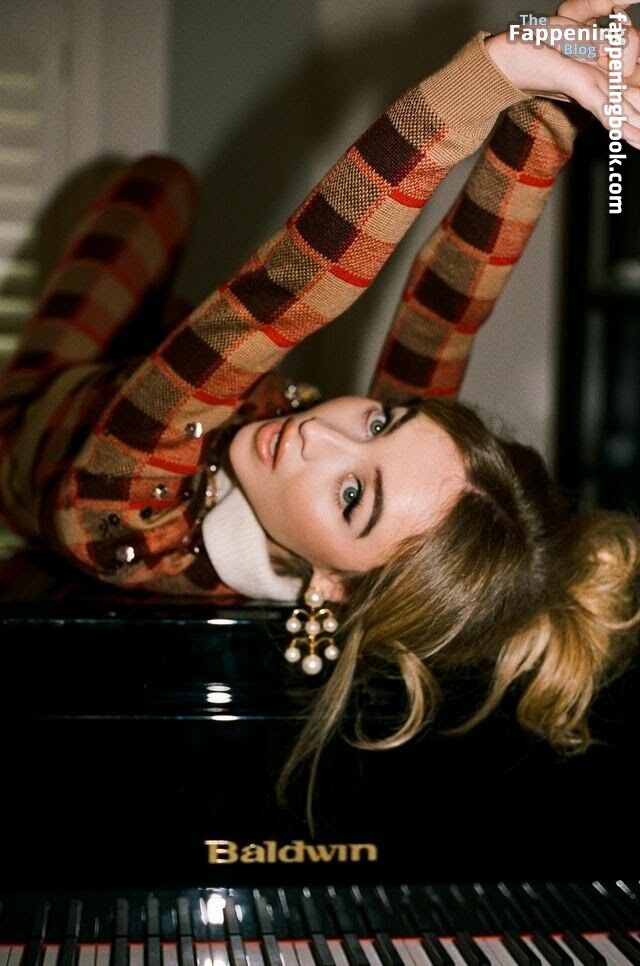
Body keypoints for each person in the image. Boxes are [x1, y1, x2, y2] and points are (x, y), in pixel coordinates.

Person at [1, 0, 639, 825]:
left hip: (41, 407)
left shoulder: (130, 524)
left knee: (160, 195)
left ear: (333, 588)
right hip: (166, 361)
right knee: (163, 185)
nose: (318, 437)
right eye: (379, 425)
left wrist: (483, 78)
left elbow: (274, 303)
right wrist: (558, 94)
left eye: (351, 496)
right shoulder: (408, 494)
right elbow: (452, 300)